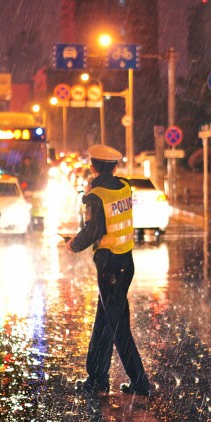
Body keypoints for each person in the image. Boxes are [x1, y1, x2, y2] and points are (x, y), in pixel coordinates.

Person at [63, 144, 152, 397]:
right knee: (107, 320)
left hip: (110, 267)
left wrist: (73, 244)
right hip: (126, 261)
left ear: (92, 166)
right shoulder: (124, 186)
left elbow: (93, 231)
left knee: (112, 325)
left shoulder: (95, 195)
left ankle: (127, 381)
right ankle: (106, 377)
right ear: (114, 166)